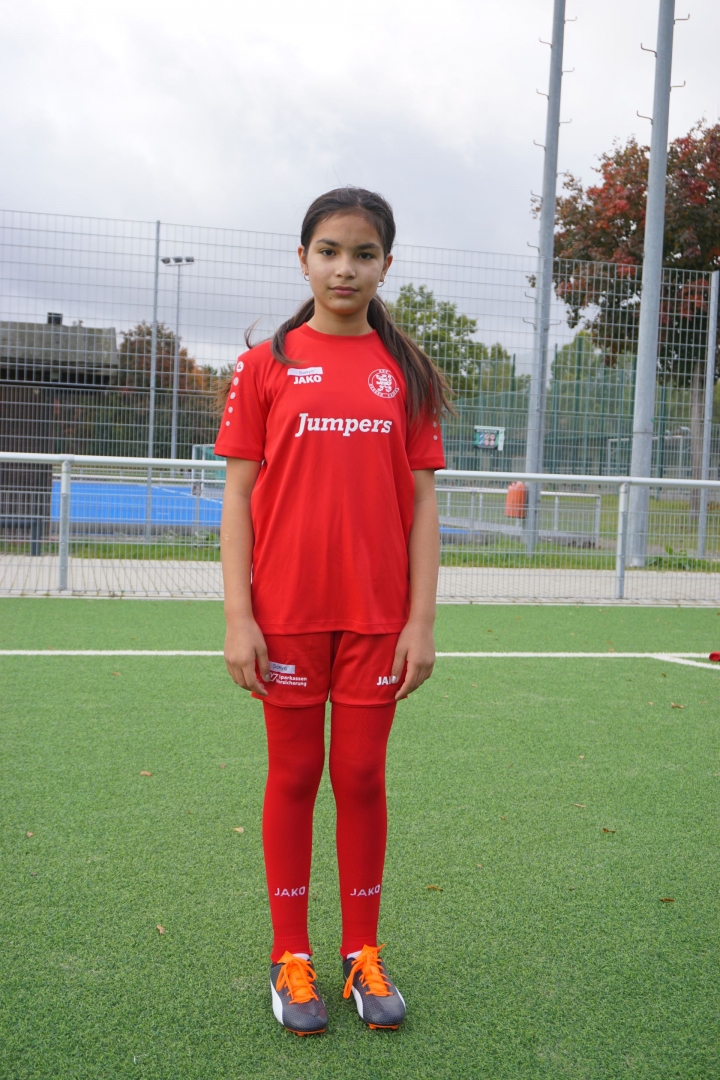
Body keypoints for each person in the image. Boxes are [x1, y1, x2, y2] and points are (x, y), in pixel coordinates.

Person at [215, 186, 450, 1036]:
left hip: (378, 619)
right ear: (303, 258)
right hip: (285, 616)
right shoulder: (264, 366)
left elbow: (422, 507)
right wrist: (239, 617)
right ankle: (291, 958)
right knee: (292, 777)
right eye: (328, 250)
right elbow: (237, 499)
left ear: (386, 264)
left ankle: (361, 953)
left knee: (360, 777)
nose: (344, 268)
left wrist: (420, 622)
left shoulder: (406, 374)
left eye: (363, 253)